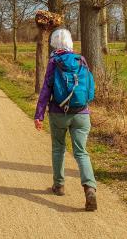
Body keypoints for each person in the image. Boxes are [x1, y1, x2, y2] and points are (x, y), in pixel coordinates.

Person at [34, 28, 97, 211]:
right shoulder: (81, 59)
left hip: (58, 113)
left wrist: (39, 115)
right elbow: (90, 88)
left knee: (58, 149)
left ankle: (59, 185)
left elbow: (46, 89)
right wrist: (84, 104)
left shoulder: (54, 61)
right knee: (81, 152)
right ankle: (90, 188)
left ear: (54, 42)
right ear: (70, 42)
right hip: (81, 113)